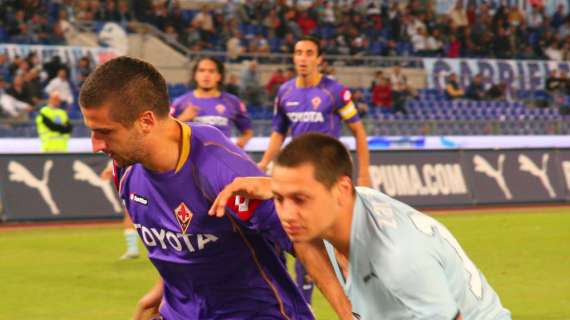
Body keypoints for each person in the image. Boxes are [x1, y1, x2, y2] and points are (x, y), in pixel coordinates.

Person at [79, 57, 352, 319]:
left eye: (104, 132)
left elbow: (305, 242)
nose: (96, 145)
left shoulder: (221, 171)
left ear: (146, 122)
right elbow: (178, 235)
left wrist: (348, 314)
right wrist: (163, 289)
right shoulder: (125, 166)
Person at [210, 133, 513, 320]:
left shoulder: (398, 259)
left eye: (300, 199)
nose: (287, 214)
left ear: (340, 190)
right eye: (279, 198)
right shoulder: (345, 205)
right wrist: (267, 186)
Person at [257, 35, 371, 304]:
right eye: (298, 52)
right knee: (301, 238)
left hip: (327, 177)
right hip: (298, 179)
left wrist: (365, 172)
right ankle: (303, 304)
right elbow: (278, 133)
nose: (303, 58)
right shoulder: (285, 92)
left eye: (309, 52)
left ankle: (362, 298)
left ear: (319, 59)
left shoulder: (335, 91)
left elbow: (359, 131)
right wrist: (263, 163)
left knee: (341, 241)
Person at [170, 57, 253, 148]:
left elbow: (247, 131)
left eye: (211, 71)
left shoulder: (233, 102)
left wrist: (240, 144)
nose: (206, 75)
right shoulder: (180, 102)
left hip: (222, 159)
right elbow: (164, 132)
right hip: (190, 160)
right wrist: (182, 118)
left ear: (219, 76)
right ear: (195, 75)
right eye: (202, 71)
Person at [100, 161, 140, 260]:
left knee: (130, 215)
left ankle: (133, 249)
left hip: (140, 190)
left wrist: (108, 170)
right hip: (144, 190)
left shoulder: (128, 153)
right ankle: (132, 249)